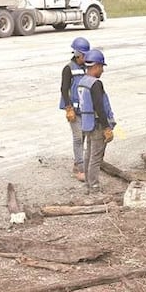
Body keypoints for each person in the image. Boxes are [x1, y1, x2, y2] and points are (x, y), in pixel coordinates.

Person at [76, 48, 116, 194]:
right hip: (98, 124)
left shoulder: (82, 82)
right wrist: (107, 128)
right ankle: (93, 186)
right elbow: (100, 107)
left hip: (87, 124)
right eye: (101, 68)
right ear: (96, 66)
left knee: (88, 154)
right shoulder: (95, 84)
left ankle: (88, 182)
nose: (102, 71)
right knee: (96, 157)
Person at [60, 37, 91, 181]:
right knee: (78, 138)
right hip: (73, 110)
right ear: (78, 54)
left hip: (85, 109)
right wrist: (68, 108)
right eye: (84, 55)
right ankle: (80, 168)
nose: (85, 58)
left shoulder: (87, 67)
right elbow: (64, 89)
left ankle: (77, 162)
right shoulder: (68, 68)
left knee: (84, 136)